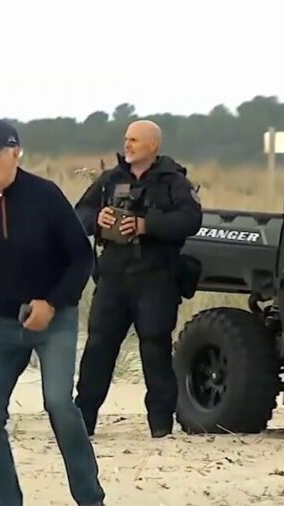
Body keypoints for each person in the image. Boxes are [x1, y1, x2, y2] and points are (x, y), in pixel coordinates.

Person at [0, 119, 109, 506]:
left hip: (53, 319)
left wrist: (51, 303)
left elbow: (81, 257)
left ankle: (91, 500)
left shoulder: (45, 196)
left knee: (58, 403)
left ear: (15, 154)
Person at [73, 119, 203, 438]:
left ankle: (160, 425)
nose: (127, 145)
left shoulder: (173, 182)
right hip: (114, 277)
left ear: (153, 146)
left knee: (155, 349)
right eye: (126, 139)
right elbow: (78, 215)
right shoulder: (110, 180)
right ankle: (82, 420)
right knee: (99, 347)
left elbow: (191, 219)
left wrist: (147, 225)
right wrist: (99, 220)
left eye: (135, 140)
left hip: (155, 278)